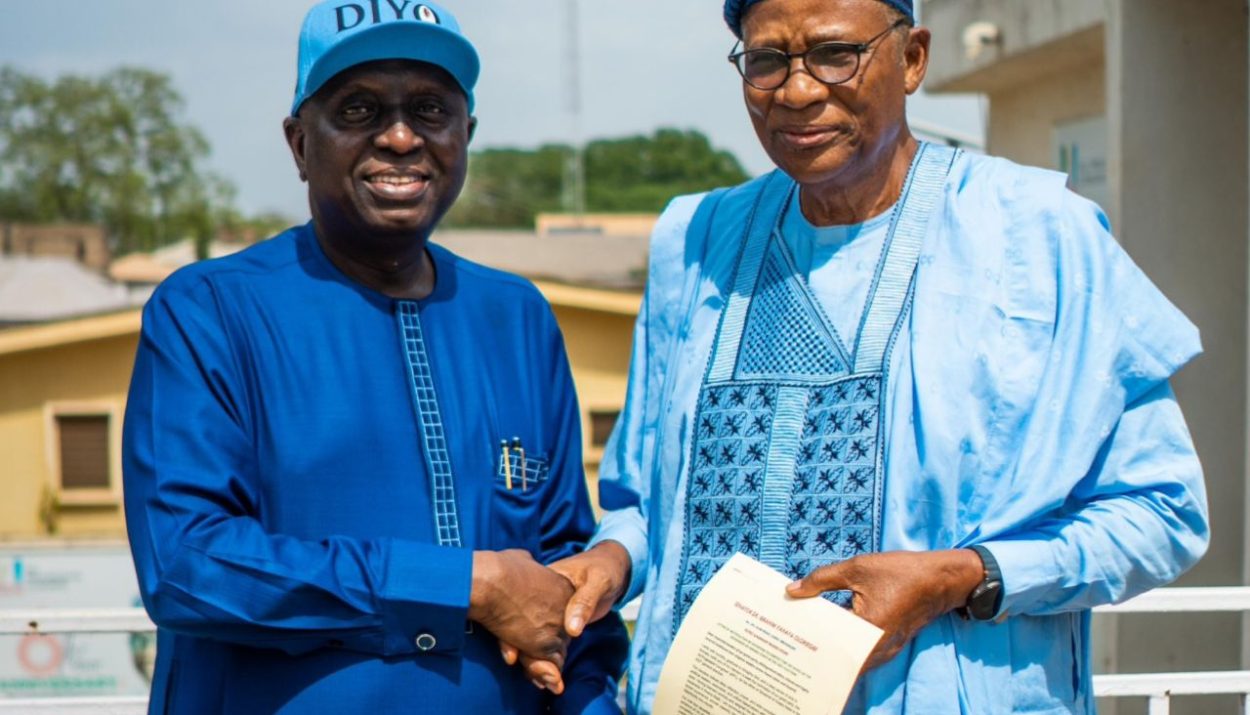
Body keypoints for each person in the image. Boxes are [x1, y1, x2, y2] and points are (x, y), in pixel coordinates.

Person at [540, 0, 1211, 712]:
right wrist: (611, 560)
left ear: (912, 58)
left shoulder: (1037, 235)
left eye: (836, 54)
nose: (798, 91)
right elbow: (648, 505)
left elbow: (1160, 513)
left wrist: (964, 576)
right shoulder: (697, 240)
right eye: (767, 60)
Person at [121, 2, 626, 712]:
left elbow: (567, 586)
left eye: (430, 109)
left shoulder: (515, 317)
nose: (400, 137)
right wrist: (464, 585)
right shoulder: (209, 310)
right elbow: (187, 564)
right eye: (359, 110)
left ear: (466, 135)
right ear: (300, 143)